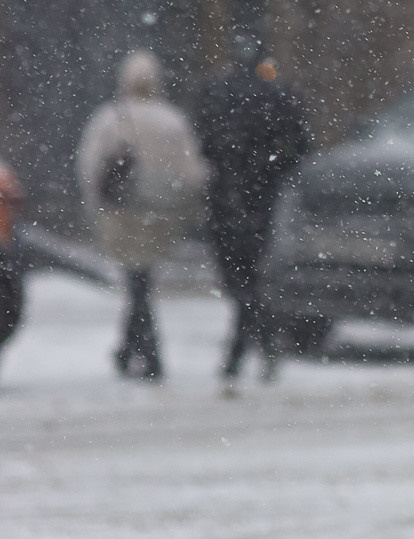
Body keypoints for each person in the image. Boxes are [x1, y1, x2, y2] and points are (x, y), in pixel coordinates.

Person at [76, 50, 209, 384]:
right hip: (160, 214)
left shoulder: (109, 118)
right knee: (141, 279)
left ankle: (140, 350)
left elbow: (90, 169)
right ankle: (139, 350)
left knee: (136, 280)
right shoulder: (172, 121)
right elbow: (194, 174)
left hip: (121, 213)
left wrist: (97, 206)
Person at [192, 39, 312, 383]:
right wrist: (270, 168)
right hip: (261, 198)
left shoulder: (215, 94)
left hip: (224, 198)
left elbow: (202, 144)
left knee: (237, 277)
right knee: (254, 275)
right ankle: (258, 342)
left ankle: (246, 345)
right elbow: (300, 146)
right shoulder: (278, 96)